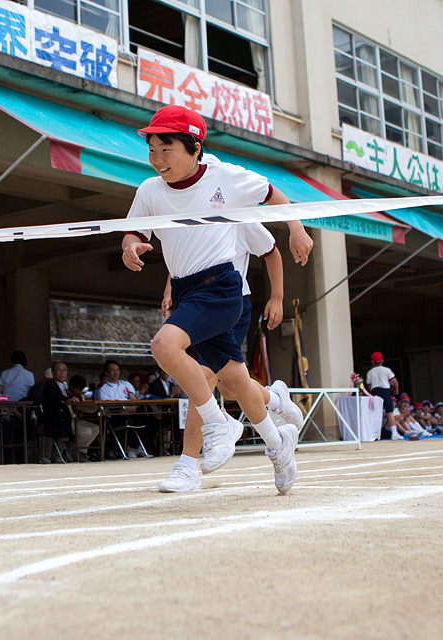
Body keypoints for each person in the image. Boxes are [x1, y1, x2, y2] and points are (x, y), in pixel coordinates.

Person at [121, 105, 306, 494]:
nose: (157, 159)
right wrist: (130, 246)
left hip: (222, 288)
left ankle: (214, 430)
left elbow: (273, 197)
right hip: (187, 289)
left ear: (195, 148)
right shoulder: (149, 190)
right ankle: (278, 443)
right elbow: (136, 231)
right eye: (152, 150)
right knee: (236, 382)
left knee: (166, 347)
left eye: (166, 149)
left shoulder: (227, 182)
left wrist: (296, 229)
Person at [158, 220, 306, 492]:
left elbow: (271, 251)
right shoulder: (192, 211)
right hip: (196, 300)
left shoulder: (235, 215)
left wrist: (277, 297)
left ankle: (188, 465)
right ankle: (275, 405)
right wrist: (170, 287)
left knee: (205, 375)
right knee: (230, 387)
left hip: (230, 302)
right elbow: (182, 252)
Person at [66, 374, 100, 460]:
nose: (79, 392)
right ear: (71, 387)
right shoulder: (65, 395)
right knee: (87, 431)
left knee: (96, 428)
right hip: (67, 420)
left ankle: (81, 450)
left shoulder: (80, 396)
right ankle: (74, 449)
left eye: (81, 390)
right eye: (77, 389)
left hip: (77, 419)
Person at [366, 352, 399, 439]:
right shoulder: (386, 370)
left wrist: (372, 392)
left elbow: (369, 385)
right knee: (390, 412)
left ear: (372, 362)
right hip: (385, 391)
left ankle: (375, 434)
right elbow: (394, 381)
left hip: (375, 391)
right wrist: (396, 389)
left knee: (376, 413)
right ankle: (394, 433)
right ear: (382, 361)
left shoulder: (370, 372)